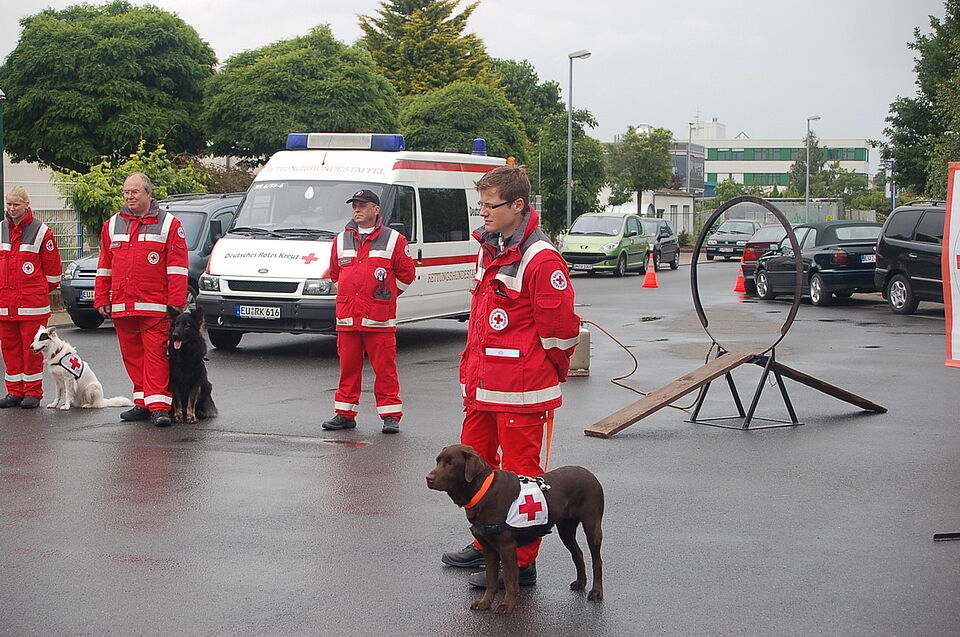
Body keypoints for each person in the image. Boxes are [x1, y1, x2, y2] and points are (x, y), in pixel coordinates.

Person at [440, 165, 580, 588]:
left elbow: (560, 332)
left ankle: (521, 561)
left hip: (521, 392)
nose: (482, 212)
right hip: (483, 389)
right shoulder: (490, 247)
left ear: (517, 205)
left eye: (489, 205)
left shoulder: (541, 258)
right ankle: (486, 544)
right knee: (475, 475)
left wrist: (547, 372)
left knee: (522, 482)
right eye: (480, 204)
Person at [94, 173, 188, 427]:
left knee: (156, 356)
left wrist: (175, 305)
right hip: (123, 305)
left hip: (155, 306)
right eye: (126, 192)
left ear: (148, 193)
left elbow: (178, 268)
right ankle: (143, 402)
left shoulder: (169, 224)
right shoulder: (112, 225)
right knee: (132, 356)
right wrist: (101, 297)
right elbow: (105, 265)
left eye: (134, 192)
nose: (129, 197)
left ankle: (159, 407)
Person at [322, 189, 416, 434]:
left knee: (385, 370)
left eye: (363, 205)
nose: (357, 209)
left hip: (379, 319)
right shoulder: (340, 240)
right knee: (348, 369)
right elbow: (335, 275)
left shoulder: (394, 239)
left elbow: (407, 275)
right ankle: (345, 413)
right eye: (354, 205)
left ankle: (390, 415)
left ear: (376, 209)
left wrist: (385, 297)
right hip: (348, 318)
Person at [0, 186, 62, 409]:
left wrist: (35, 292)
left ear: (27, 205)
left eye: (16, 204)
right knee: (9, 348)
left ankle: (33, 392)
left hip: (32, 306)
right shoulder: (1, 229)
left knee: (32, 350)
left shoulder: (42, 232)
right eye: (9, 204)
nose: (12, 208)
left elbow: (53, 273)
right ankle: (14, 391)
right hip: (5, 304)